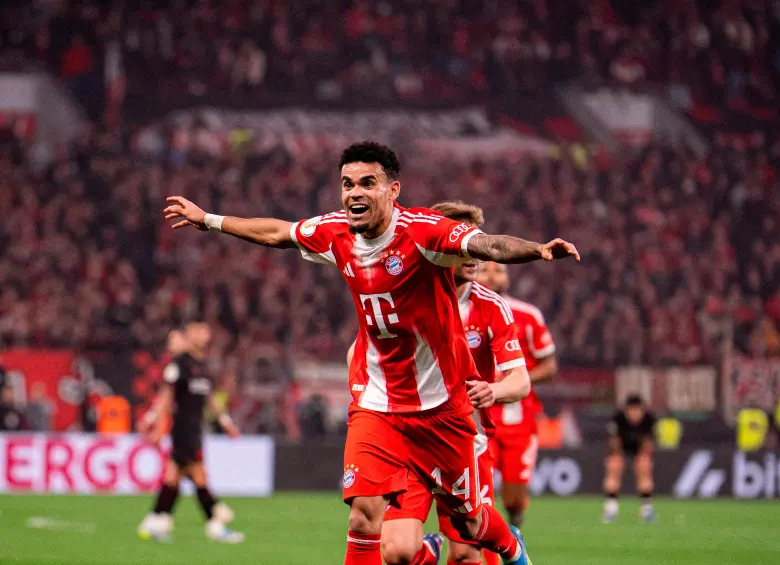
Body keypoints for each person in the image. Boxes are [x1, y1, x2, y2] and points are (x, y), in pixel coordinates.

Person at [164, 140, 579, 565]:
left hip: (440, 408)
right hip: (378, 405)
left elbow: (489, 246)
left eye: (367, 183)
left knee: (470, 525)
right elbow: (277, 232)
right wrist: (210, 220)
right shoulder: (336, 232)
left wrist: (537, 249)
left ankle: (510, 546)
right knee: (364, 518)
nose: (354, 193)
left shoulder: (423, 232)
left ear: (393, 190)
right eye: (347, 184)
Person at [377, 201, 531, 565]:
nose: (474, 253)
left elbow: (521, 381)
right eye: (464, 242)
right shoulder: (404, 293)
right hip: (410, 436)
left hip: (465, 439)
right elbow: (361, 350)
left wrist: (493, 390)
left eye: (476, 241)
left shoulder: (491, 307)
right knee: (397, 552)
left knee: (465, 552)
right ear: (439, 245)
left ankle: (506, 543)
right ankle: (429, 549)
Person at [137, 323, 244, 543]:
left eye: (205, 332)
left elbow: (210, 398)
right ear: (188, 337)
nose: (204, 335)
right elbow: (166, 396)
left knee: (173, 477)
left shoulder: (204, 366)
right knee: (198, 474)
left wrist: (225, 421)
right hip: (183, 429)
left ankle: (155, 519)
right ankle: (215, 518)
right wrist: (154, 421)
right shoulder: (179, 365)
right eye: (198, 332)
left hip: (196, 429)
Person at [478, 262, 558, 528]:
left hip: (518, 417)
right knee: (478, 491)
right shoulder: (459, 310)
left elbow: (549, 365)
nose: (491, 276)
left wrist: (514, 381)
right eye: (485, 270)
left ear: (508, 279)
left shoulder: (527, 315)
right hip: (477, 415)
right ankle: (482, 544)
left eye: (498, 271)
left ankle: (513, 535)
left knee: (513, 500)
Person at [603, 394, 657, 523]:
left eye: (637, 410)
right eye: (632, 410)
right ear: (626, 410)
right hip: (620, 447)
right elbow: (614, 443)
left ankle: (647, 510)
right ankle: (611, 510)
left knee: (644, 466)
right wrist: (620, 457)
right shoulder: (618, 419)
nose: (635, 414)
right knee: (614, 466)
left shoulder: (649, 419)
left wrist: (641, 458)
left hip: (639, 448)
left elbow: (647, 443)